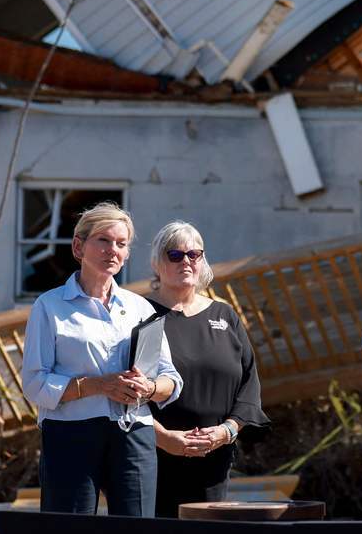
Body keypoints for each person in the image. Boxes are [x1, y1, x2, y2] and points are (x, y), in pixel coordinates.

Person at [21, 202, 182, 516]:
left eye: (121, 244)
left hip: (134, 433)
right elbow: (35, 383)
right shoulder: (49, 306)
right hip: (71, 435)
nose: (113, 250)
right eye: (104, 241)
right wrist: (98, 385)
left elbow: (171, 379)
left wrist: (148, 388)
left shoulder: (141, 309)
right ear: (78, 246)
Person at [146, 221, 268, 517]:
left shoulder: (224, 315)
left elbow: (249, 384)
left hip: (215, 459)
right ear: (158, 262)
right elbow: (131, 391)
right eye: (174, 255)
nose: (185, 261)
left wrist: (227, 431)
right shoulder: (144, 316)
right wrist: (164, 439)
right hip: (156, 458)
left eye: (193, 254)